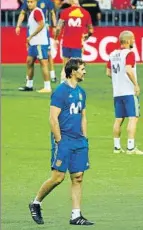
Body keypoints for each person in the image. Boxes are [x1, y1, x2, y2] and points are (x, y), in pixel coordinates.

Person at [28, 58, 94, 226]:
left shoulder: (81, 92)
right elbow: (52, 118)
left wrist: (85, 139)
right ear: (73, 72)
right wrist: (59, 141)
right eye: (82, 69)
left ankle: (76, 215)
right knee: (58, 178)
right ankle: (36, 203)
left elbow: (83, 117)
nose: (85, 71)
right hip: (63, 139)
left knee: (78, 177)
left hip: (79, 140)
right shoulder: (60, 92)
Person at [106, 31, 143, 155]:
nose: (134, 41)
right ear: (128, 41)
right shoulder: (130, 54)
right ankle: (130, 147)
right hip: (128, 91)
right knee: (133, 118)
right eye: (133, 39)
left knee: (118, 119)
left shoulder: (113, 54)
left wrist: (118, 80)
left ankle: (117, 147)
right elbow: (128, 70)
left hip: (117, 92)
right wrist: (136, 84)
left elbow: (108, 73)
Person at [16, 0, 57, 83]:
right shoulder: (28, 0)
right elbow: (22, 13)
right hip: (32, 30)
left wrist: (54, 26)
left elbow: (52, 13)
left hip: (43, 30)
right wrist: (18, 25)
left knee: (47, 54)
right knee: (30, 56)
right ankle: (29, 79)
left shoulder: (46, 0)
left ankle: (52, 75)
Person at [54, 0, 93, 83]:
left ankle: (63, 84)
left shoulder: (65, 12)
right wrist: (87, 36)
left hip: (66, 43)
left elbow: (58, 28)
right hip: (77, 44)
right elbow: (91, 30)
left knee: (65, 66)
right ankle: (73, 85)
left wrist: (56, 39)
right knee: (77, 67)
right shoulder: (85, 13)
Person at [18, 0, 51, 93]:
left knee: (43, 64)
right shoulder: (33, 12)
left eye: (31, 2)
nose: (29, 4)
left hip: (40, 42)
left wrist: (31, 36)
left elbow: (42, 25)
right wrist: (30, 40)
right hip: (34, 43)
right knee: (29, 62)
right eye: (28, 2)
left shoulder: (37, 11)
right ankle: (29, 85)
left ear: (36, 2)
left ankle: (47, 87)